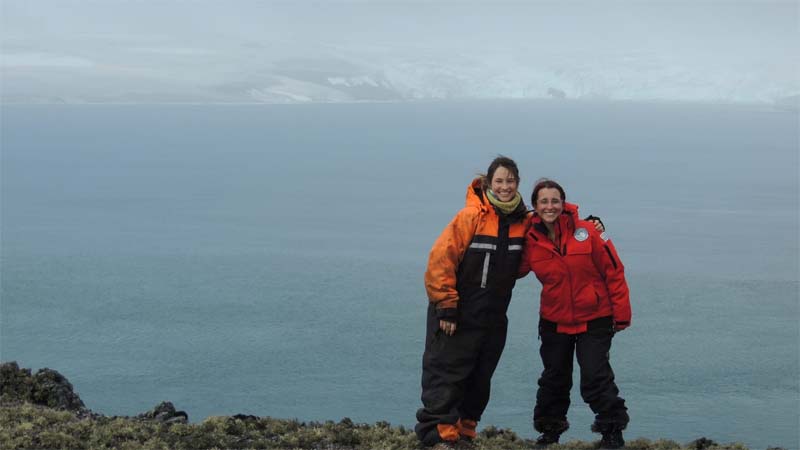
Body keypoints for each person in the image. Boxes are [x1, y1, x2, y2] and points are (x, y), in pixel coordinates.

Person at [415, 158, 603, 449]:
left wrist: (584, 225)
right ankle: (438, 437)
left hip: (493, 316)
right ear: (489, 183)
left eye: (511, 181)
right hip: (458, 311)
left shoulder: (522, 222)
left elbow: (550, 222)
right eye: (499, 181)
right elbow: (441, 262)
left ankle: (464, 434)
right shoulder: (471, 217)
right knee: (446, 372)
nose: (505, 187)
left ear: (518, 183)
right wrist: (446, 307)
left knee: (480, 377)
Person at [518, 178, 631, 449]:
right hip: (554, 320)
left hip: (595, 317)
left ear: (563, 203)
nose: (549, 206)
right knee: (554, 378)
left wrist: (622, 313)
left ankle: (612, 432)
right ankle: (549, 432)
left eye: (554, 200)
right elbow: (516, 269)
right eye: (543, 201)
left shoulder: (588, 231)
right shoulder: (530, 238)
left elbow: (614, 270)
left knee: (595, 376)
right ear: (534, 206)